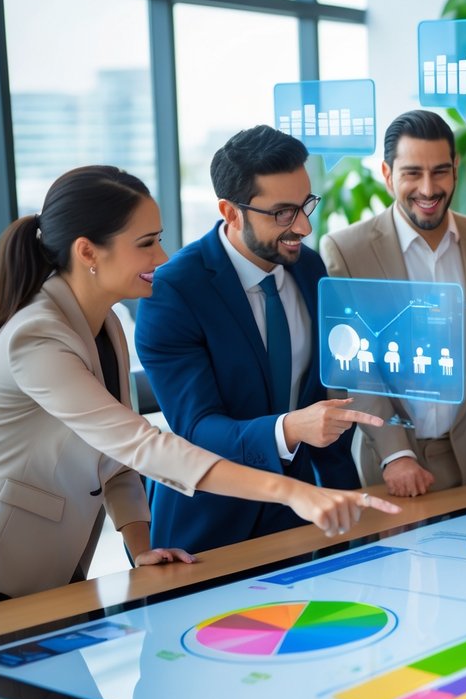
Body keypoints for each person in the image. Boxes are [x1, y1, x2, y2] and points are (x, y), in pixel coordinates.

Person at [0, 167, 399, 611]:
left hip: (58, 568)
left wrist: (141, 546)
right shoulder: (36, 336)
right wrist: (292, 491)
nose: (163, 256)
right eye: (146, 243)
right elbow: (141, 444)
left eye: (159, 238)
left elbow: (116, 459)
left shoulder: (106, 323)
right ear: (88, 251)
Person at [135, 126, 370, 554]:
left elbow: (322, 400)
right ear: (231, 212)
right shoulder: (174, 290)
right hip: (206, 530)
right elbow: (198, 428)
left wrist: (352, 512)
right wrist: (290, 428)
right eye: (283, 213)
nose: (304, 226)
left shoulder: (309, 268)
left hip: (298, 521)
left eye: (306, 204)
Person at [321, 110, 466, 496]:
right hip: (392, 464)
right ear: (387, 174)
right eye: (412, 173)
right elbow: (354, 368)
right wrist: (395, 455)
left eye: (440, 171)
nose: (428, 189)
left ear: (456, 169)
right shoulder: (346, 250)